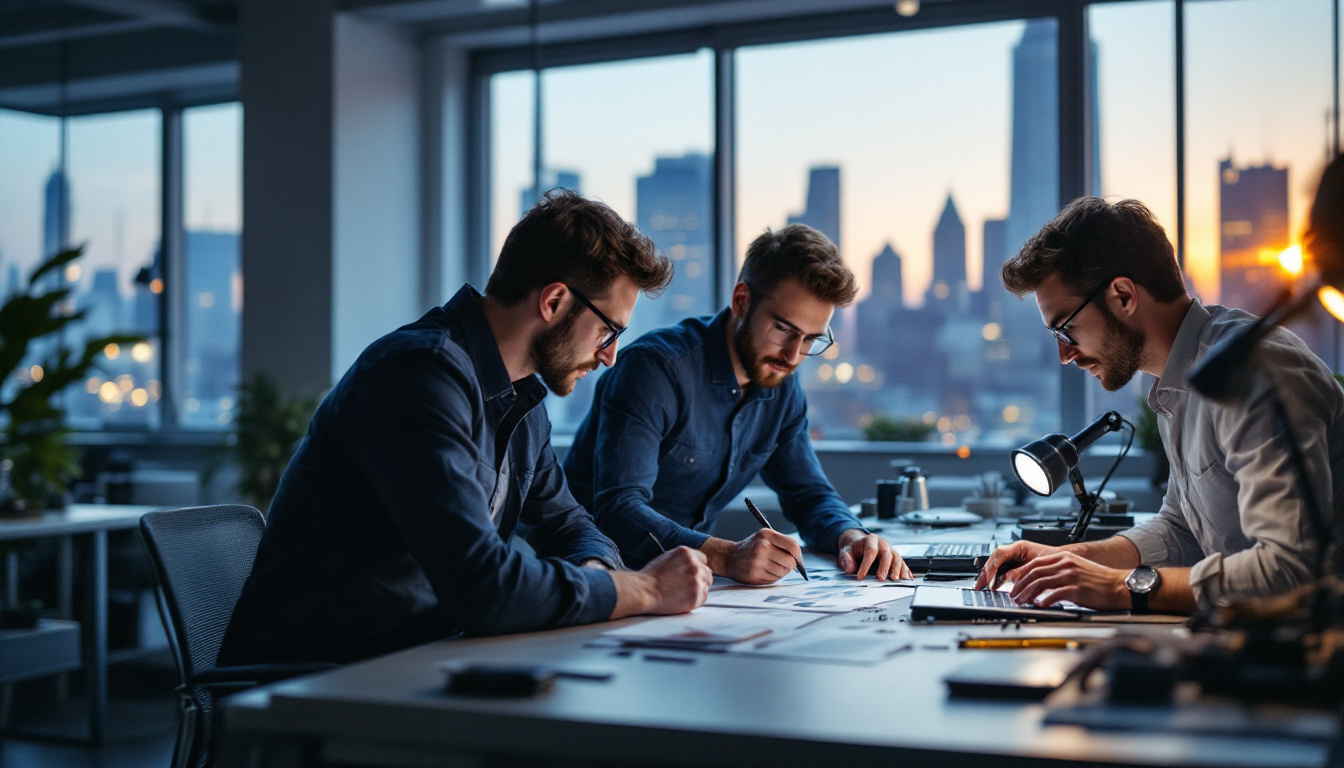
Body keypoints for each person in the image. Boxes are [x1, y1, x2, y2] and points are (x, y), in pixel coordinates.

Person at [219, 191, 712, 666]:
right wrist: (642, 588)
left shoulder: (522, 400)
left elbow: (571, 525)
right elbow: (482, 586)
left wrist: (595, 575)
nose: (610, 356)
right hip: (315, 684)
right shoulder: (418, 376)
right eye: (609, 330)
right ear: (555, 301)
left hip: (419, 660)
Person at [974, 196, 1344, 614]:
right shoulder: (1179, 381)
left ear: (1124, 297)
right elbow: (1181, 530)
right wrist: (1070, 561)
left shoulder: (1253, 373)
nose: (1064, 355)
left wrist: (1121, 587)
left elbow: (1291, 571)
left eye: (1066, 329)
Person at [564, 224, 909, 585]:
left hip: (687, 588)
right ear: (742, 300)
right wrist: (726, 555)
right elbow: (618, 510)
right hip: (595, 579)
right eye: (782, 329)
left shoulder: (781, 386)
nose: (793, 356)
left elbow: (808, 494)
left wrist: (849, 536)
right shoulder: (655, 370)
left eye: (810, 339)